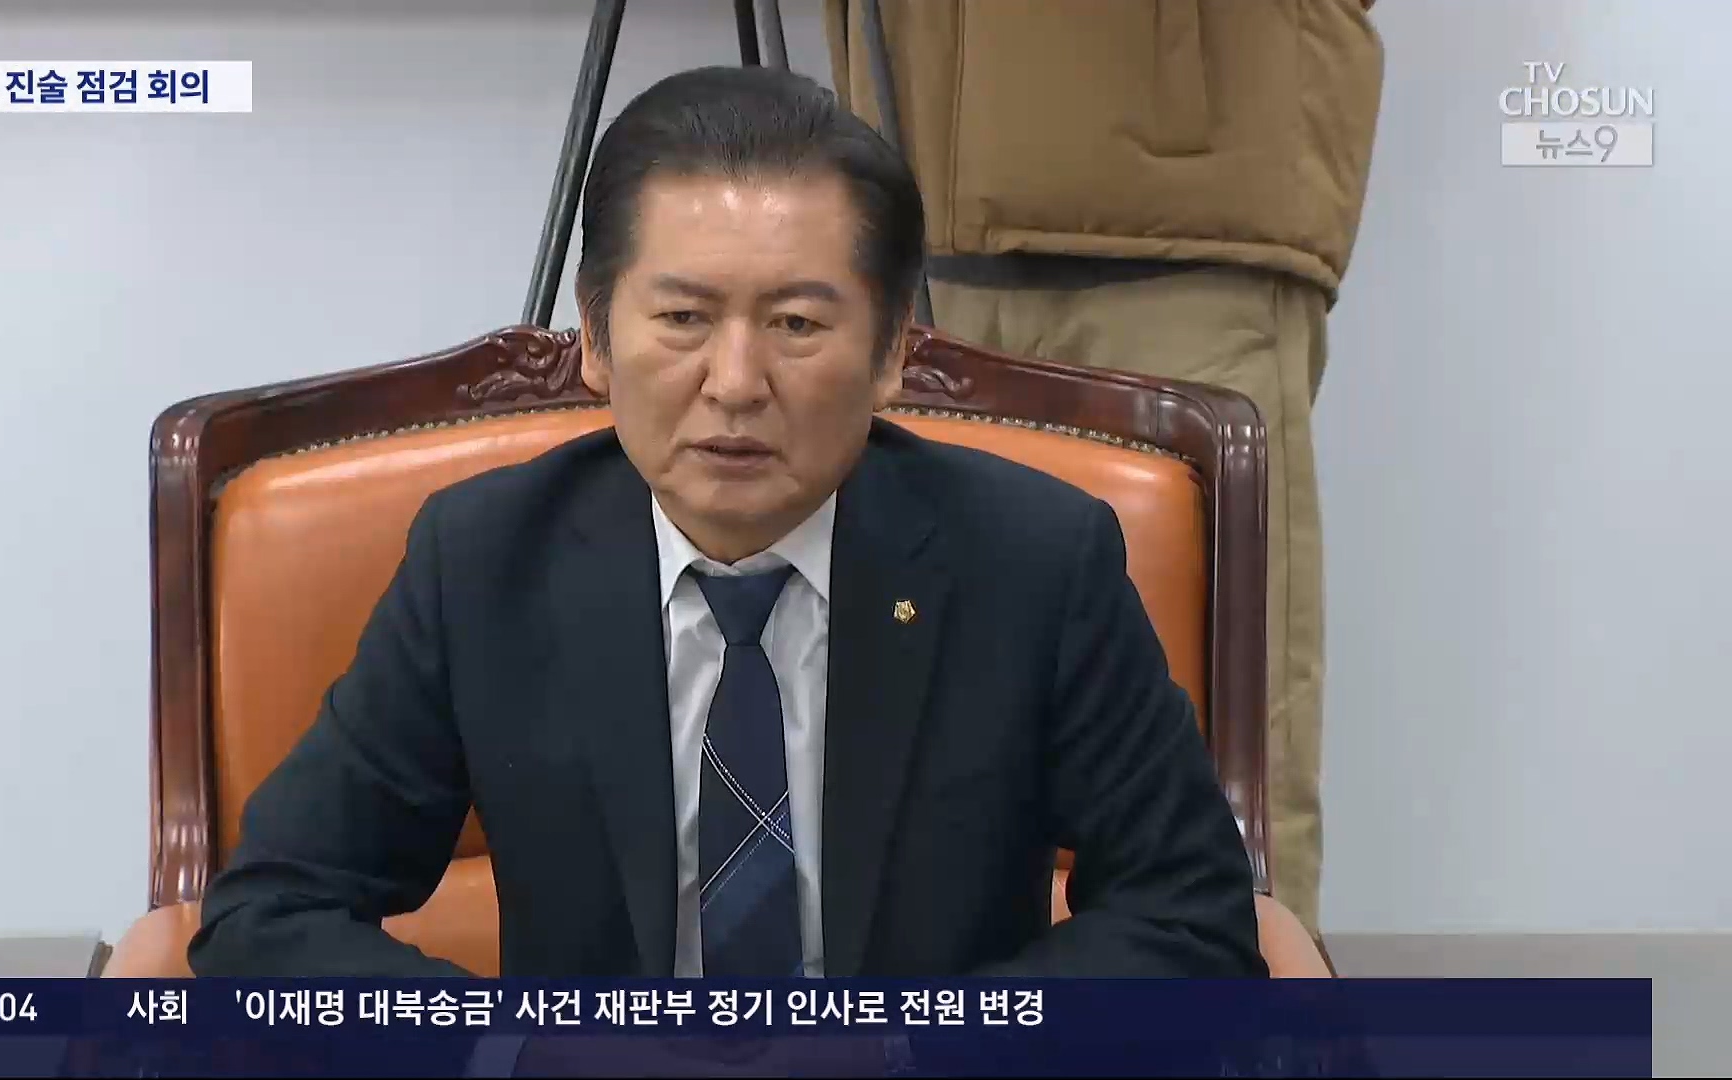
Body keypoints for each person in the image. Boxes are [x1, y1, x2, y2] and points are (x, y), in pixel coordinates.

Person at [188, 65, 1263, 988]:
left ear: (894, 350)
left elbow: (1191, 918)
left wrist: (911, 1049)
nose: (736, 382)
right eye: (683, 318)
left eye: (796, 323)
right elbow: (270, 915)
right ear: (595, 339)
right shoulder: (482, 563)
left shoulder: (1034, 562)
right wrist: (527, 1050)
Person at [822, 0, 1386, 936]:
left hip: (1184, 216)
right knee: (924, 729)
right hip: (916, 202)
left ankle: (1241, 1010)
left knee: (1214, 740)